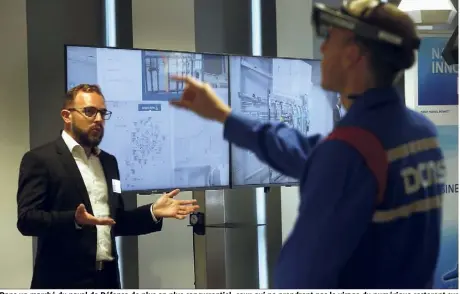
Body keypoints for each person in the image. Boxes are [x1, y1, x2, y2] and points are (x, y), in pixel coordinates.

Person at [169, 0, 445, 289]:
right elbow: (305, 154)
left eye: (330, 38)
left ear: (352, 55)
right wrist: (223, 115)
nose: (323, 49)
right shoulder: (420, 132)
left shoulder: (350, 152)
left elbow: (302, 273)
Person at [17, 84, 199, 289]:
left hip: (107, 279)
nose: (98, 119)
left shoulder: (108, 162)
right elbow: (27, 220)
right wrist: (74, 220)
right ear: (67, 116)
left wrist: (153, 212)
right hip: (62, 280)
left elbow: (115, 221)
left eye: (102, 113)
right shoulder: (41, 159)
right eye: (89, 111)